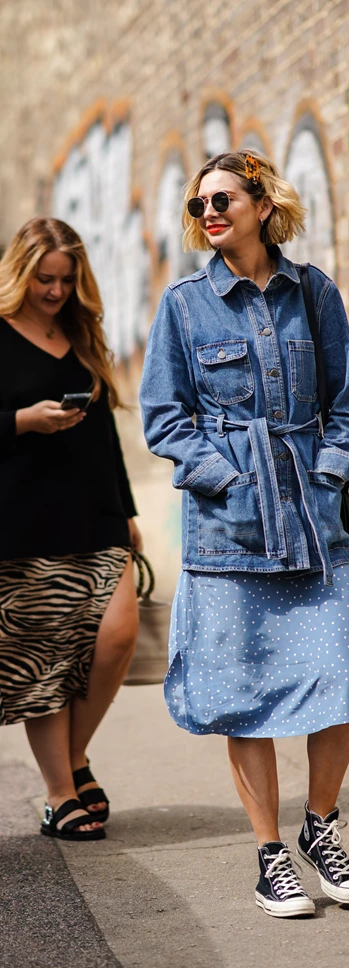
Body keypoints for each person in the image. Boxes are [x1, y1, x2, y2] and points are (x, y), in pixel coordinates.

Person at [140, 150, 349, 917]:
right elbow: (165, 418)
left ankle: (321, 825)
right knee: (244, 699)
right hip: (229, 530)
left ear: (261, 204)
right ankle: (270, 853)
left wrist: (329, 471)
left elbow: (347, 401)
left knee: (339, 682)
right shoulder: (182, 306)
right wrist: (224, 476)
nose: (209, 213)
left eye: (223, 199)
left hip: (311, 520)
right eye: (199, 203)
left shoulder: (313, 293)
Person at [0, 218, 141, 841]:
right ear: (20, 272)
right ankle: (61, 793)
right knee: (46, 665)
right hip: (23, 521)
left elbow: (107, 431)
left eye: (66, 279)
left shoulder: (82, 333)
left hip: (97, 512)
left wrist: (130, 509)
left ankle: (74, 756)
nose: (55, 291)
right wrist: (22, 421)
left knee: (117, 635)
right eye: (44, 279)